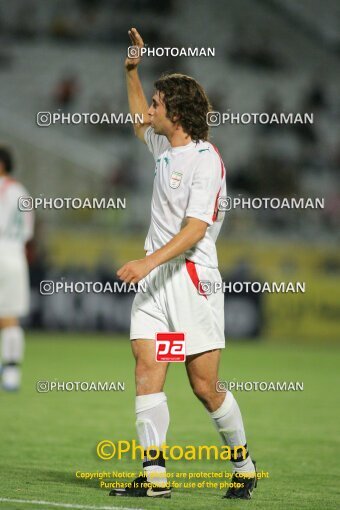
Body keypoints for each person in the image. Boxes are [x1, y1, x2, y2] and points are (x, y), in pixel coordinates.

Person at [110, 28, 257, 500]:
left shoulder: (204, 159)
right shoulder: (164, 148)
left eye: (156, 103)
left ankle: (245, 466)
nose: (149, 110)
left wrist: (146, 261)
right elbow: (137, 120)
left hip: (192, 282)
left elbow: (195, 229)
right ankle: (155, 477)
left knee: (204, 385)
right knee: (147, 363)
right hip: (157, 285)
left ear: (175, 113)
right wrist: (131, 72)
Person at [0, 147, 34, 391]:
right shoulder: (22, 191)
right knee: (11, 318)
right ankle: (12, 374)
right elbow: (29, 232)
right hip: (15, 256)